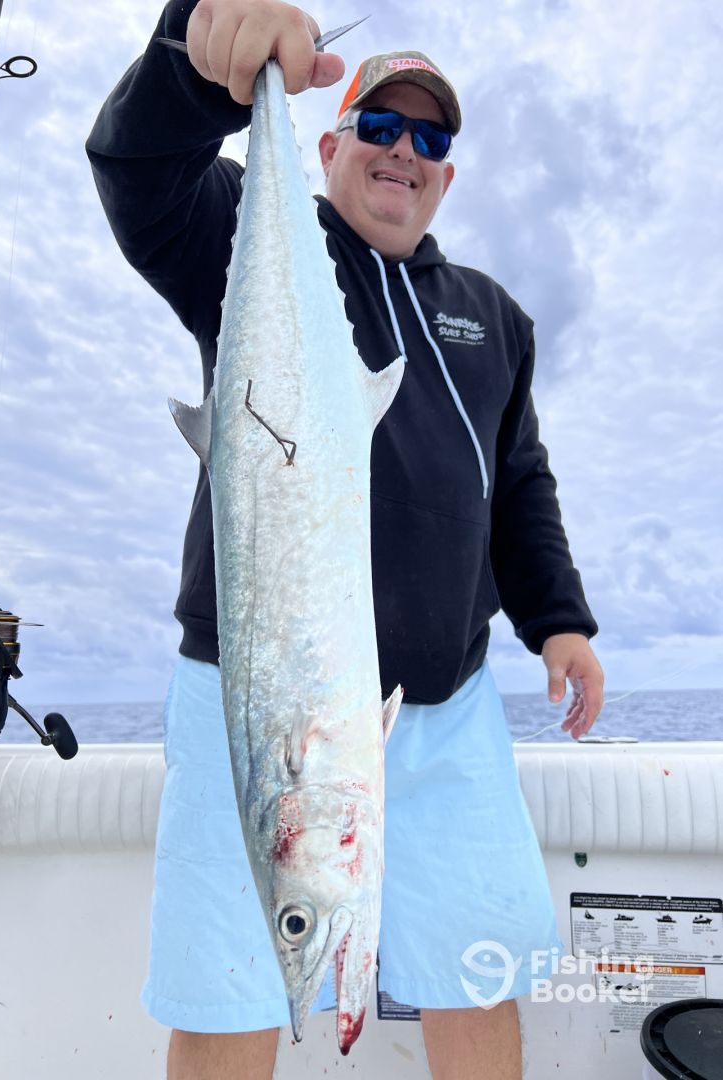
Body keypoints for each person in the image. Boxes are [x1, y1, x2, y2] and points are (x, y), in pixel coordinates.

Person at [87, 1, 604, 1077]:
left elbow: (518, 483)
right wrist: (197, 57)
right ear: (328, 148)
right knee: (229, 989)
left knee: (476, 976)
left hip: (445, 707)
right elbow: (138, 173)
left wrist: (559, 622)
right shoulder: (241, 240)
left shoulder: (495, 317)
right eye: (379, 126)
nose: (403, 150)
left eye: (430, 137)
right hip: (256, 701)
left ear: (447, 175)